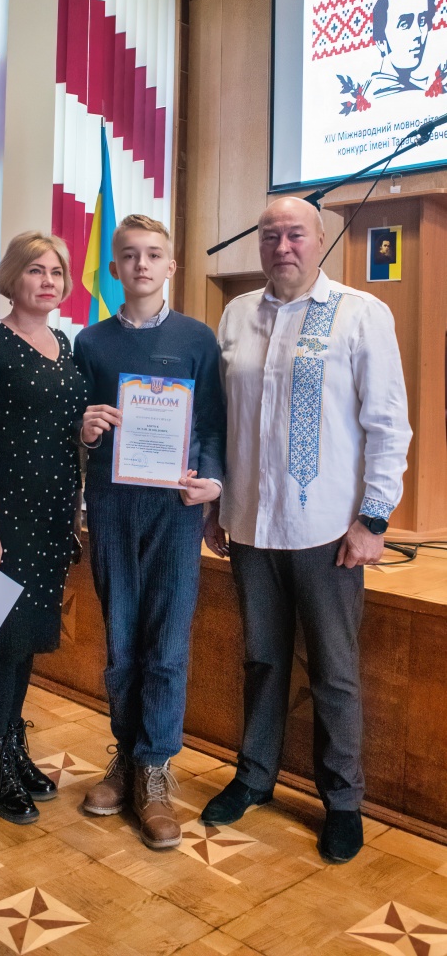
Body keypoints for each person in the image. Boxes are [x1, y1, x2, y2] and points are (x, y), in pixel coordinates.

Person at [201, 196, 412, 863]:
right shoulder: (236, 314)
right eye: (270, 235)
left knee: (333, 672)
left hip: (328, 532)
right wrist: (216, 503)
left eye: (295, 233)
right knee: (262, 660)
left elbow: (388, 423)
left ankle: (342, 801)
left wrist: (373, 518)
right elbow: (221, 419)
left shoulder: (360, 313)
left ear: (320, 239)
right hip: (250, 525)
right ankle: (254, 775)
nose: (282, 245)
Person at [74, 214, 226, 851]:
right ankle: (126, 757)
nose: (141, 265)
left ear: (171, 266)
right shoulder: (91, 342)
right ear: (114, 269)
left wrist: (210, 481)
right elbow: (75, 424)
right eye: (130, 255)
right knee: (121, 638)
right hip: (112, 506)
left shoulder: (197, 338)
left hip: (174, 509)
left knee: (166, 640)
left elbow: (213, 425)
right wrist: (84, 430)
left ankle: (155, 767)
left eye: (153, 254)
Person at [0, 231, 86, 825]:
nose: (48, 281)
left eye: (56, 271)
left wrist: (86, 430)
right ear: (13, 277)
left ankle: (14, 748)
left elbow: (59, 426)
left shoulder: (64, 343)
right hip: (3, 518)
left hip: (51, 515)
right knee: (2, 643)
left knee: (27, 639)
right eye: (36, 270)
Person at [367, 0, 435, 98]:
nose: (418, 34)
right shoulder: (378, 96)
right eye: (405, 24)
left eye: (422, 21)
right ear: (381, 41)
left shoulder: (422, 89)